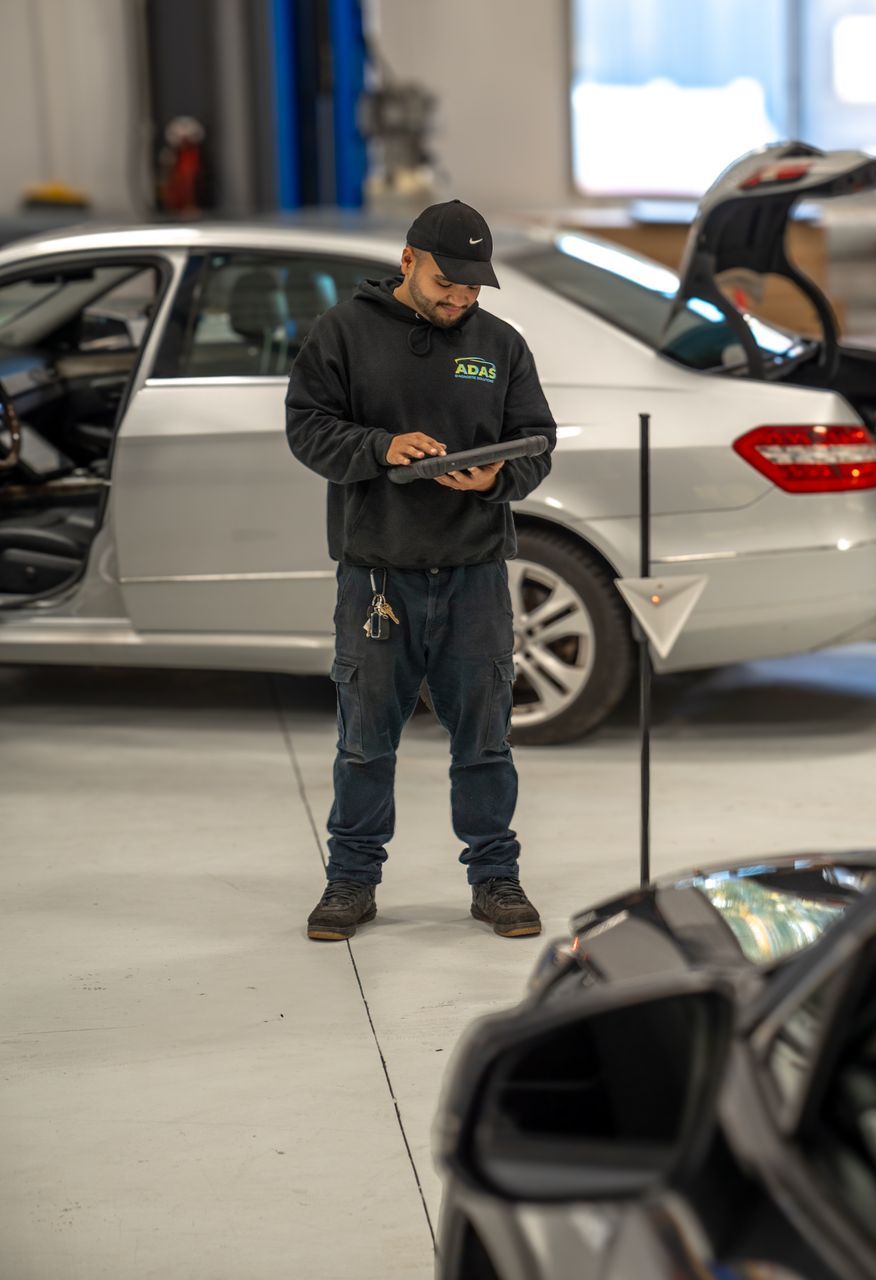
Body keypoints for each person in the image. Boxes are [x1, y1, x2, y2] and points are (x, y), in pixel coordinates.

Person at [285, 199, 556, 941]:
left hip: (474, 575)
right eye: (447, 282)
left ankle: (495, 878)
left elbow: (537, 441)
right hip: (377, 577)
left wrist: (494, 479)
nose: (459, 298)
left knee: (485, 742)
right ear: (408, 262)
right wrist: (379, 448)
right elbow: (306, 430)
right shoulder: (342, 333)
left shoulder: (500, 345)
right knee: (366, 742)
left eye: (472, 287)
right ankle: (351, 882)